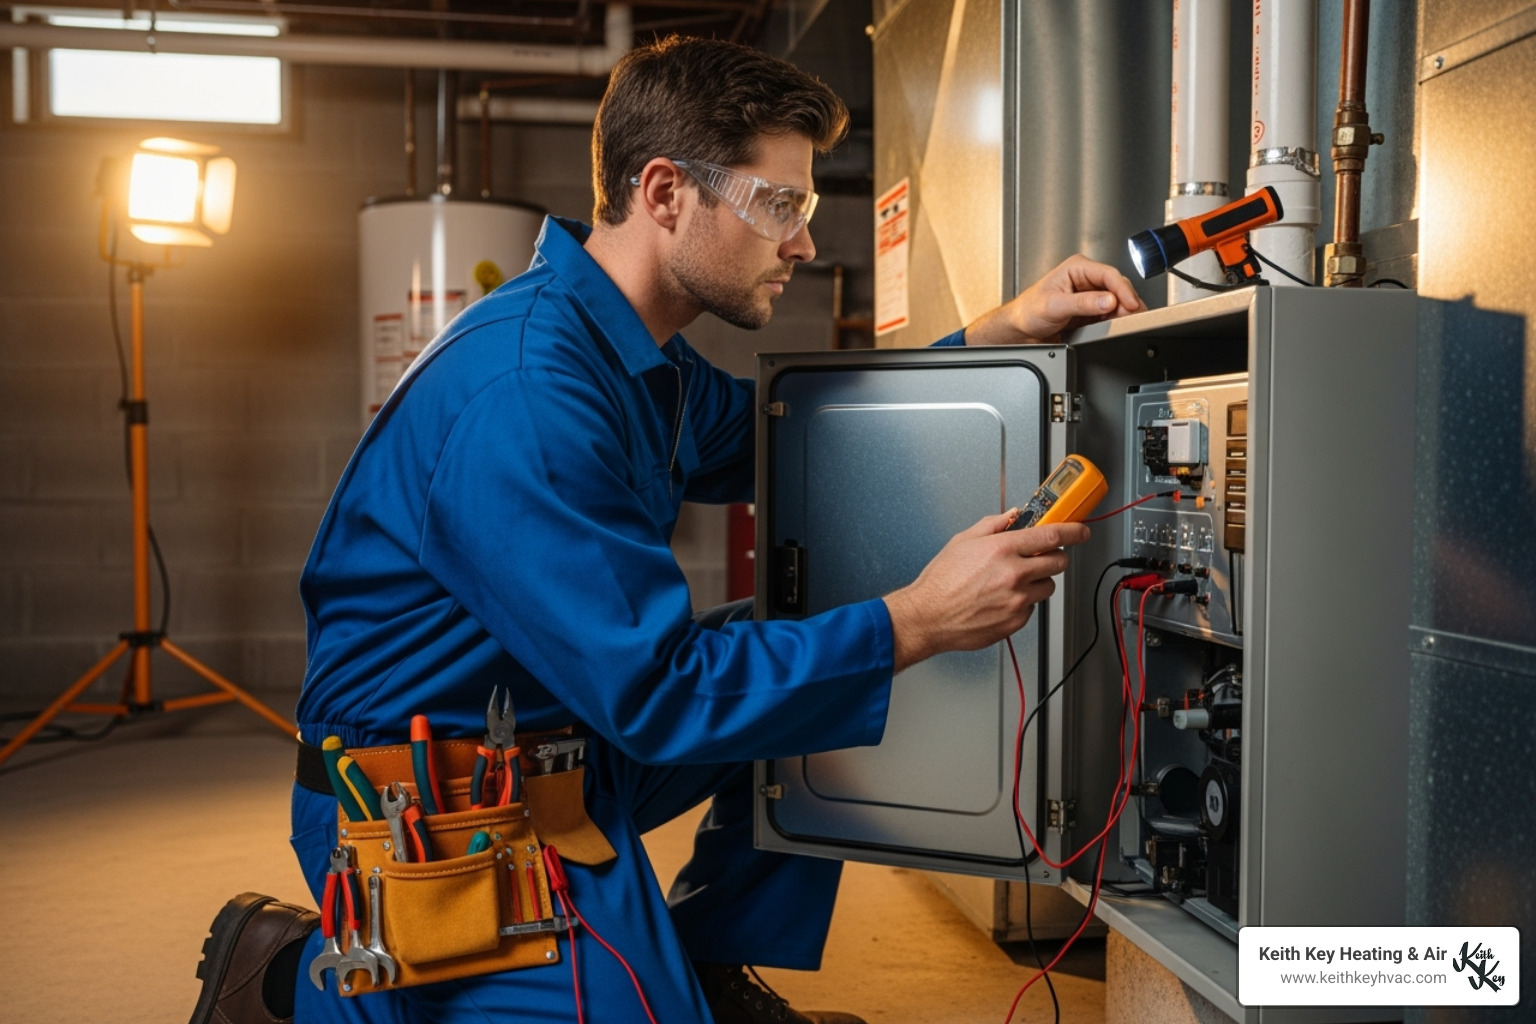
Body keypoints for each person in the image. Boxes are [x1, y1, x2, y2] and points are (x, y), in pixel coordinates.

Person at [189, 33, 1145, 1024]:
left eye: (805, 208)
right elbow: (661, 694)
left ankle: (708, 960)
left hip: (565, 745)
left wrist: (998, 332)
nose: (806, 242)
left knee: (823, 675)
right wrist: (916, 621)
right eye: (779, 205)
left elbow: (806, 437)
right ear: (663, 193)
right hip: (435, 804)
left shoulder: (639, 360)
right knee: (839, 661)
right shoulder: (530, 394)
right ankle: (288, 982)